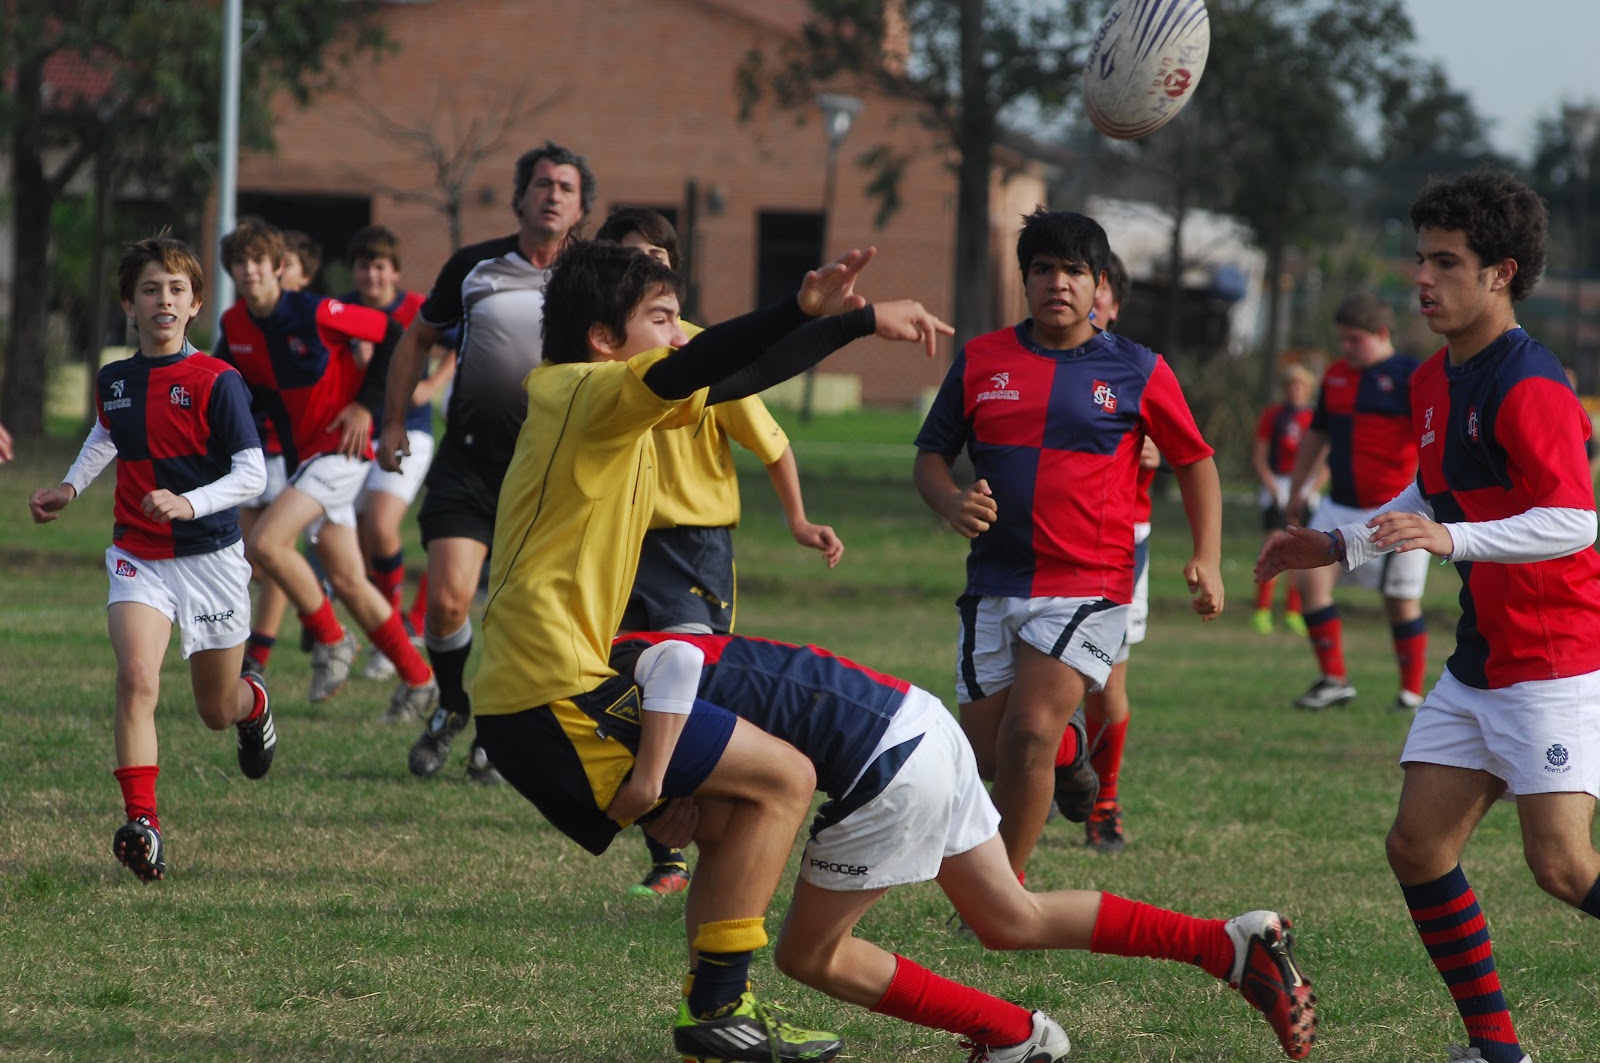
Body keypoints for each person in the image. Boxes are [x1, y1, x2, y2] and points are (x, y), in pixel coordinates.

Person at [469, 237, 951, 1062]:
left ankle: (720, 1012)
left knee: (732, 814)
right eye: (661, 319)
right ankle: (720, 1009)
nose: (679, 333)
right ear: (603, 339)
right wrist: (804, 309)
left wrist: (853, 321)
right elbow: (713, 358)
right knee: (787, 777)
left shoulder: (591, 394)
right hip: (551, 692)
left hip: (541, 688)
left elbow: (738, 373)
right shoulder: (591, 391)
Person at [1257, 167, 1600, 1063]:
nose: (1422, 278)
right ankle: (1496, 1050)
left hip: (1553, 658)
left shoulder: (1531, 383)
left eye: (1446, 262)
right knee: (1417, 845)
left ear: (1501, 273)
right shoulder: (1434, 378)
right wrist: (1341, 545)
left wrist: (1453, 538)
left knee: (1563, 867)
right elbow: (1430, 489)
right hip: (1482, 657)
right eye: (1421, 259)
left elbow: (1575, 519)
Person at [609, 631, 1318, 1062]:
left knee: (809, 954)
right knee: (1010, 916)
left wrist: (655, 792)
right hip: (917, 721)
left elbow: (706, 719)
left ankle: (1012, 1034)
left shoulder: (617, 665)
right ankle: (1224, 944)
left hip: (883, 757)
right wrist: (680, 809)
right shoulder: (636, 647)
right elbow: (730, 813)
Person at [913, 208, 1223, 883]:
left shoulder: (1137, 368)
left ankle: (1003, 894)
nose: (1058, 282)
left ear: (1099, 283)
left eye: (1075, 271)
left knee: (1027, 732)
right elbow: (930, 457)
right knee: (990, 753)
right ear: (1025, 280)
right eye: (1043, 269)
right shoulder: (983, 359)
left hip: (1090, 583)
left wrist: (1207, 555)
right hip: (995, 579)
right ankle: (1069, 749)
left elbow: (1195, 460)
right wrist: (950, 501)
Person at [597, 205, 845, 898]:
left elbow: (772, 442)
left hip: (695, 550)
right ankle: (668, 848)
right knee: (623, 690)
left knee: (689, 690)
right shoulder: (600, 361)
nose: (642, 269)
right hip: (620, 544)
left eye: (654, 257)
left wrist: (799, 519)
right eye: (628, 257)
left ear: (674, 270)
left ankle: (710, 840)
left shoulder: (702, 351)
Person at [28, 232, 276, 883]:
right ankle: (144, 825)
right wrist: (69, 487)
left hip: (211, 558)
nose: (163, 300)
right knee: (137, 676)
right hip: (137, 554)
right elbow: (107, 432)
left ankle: (254, 704)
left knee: (215, 710)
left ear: (195, 304)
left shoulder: (218, 380)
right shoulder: (114, 380)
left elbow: (252, 473)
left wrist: (190, 503)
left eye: (175, 289)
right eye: (149, 289)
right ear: (128, 305)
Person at [381, 141, 594, 784]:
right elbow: (418, 338)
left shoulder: (594, 278)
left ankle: (497, 737)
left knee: (517, 615)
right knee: (448, 603)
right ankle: (451, 704)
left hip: (551, 473)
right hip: (469, 461)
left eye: (566, 187)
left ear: (582, 207)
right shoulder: (474, 267)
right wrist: (394, 420)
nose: (553, 195)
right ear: (519, 197)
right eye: (542, 184)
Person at [217, 217, 437, 719]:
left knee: (267, 544)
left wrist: (365, 406)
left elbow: (394, 334)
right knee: (351, 581)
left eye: (259, 261)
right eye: (240, 262)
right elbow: (228, 387)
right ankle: (419, 680)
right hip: (305, 461)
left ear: (278, 267)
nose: (250, 271)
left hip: (342, 451)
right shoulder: (235, 325)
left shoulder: (315, 311)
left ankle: (333, 639)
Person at [1047, 251, 1156, 854]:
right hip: (1035, 540)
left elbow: (1187, 451)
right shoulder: (1030, 362)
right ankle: (1048, 769)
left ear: (1111, 304)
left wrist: (1154, 450)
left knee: (1104, 685)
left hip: (1116, 543)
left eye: (1096, 289)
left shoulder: (1136, 370)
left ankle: (1103, 802)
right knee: (1026, 689)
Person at [1281, 293, 1429, 712]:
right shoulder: (1336, 377)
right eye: (1342, 339)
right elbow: (1317, 435)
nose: (1345, 348)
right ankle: (1334, 680)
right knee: (1309, 580)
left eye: (1354, 340)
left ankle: (1410, 693)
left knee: (1400, 601)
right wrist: (1297, 490)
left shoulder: (1411, 376)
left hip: (1397, 508)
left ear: (1382, 334)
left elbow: (1433, 438)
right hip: (1339, 505)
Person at [338, 225, 457, 684]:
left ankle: (393, 635)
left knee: (382, 525)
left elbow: (456, 344)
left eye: (380, 267)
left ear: (395, 273)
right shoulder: (342, 309)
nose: (371, 275)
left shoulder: (416, 309)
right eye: (363, 266)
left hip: (409, 430)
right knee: (355, 538)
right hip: (357, 431)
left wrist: (432, 385)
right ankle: (387, 631)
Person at [1250, 363, 1319, 637]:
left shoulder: (1315, 417)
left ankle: (1293, 611)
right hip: (1278, 483)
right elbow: (1259, 456)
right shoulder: (1273, 415)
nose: (1296, 390)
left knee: (1301, 548)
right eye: (1291, 385)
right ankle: (1262, 610)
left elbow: (1324, 458)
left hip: (1305, 487)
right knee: (1273, 545)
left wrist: (1312, 486)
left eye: (1301, 386)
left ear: (1308, 389)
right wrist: (1272, 486)